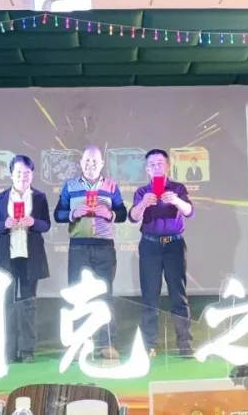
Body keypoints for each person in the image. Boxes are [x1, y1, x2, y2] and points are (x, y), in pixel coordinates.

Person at [54, 146, 127, 362]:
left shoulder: (111, 186)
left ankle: (106, 343)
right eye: (87, 161)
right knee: (78, 295)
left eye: (95, 161)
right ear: (81, 163)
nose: (90, 164)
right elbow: (58, 214)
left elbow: (123, 213)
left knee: (105, 295)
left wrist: (110, 213)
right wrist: (73, 213)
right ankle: (78, 343)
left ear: (102, 163)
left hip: (105, 247)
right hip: (78, 246)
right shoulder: (70, 186)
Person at [129, 149, 194, 357]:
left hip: (174, 245)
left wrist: (176, 200)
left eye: (160, 163)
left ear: (168, 166)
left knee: (178, 295)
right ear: (147, 169)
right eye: (152, 164)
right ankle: (149, 344)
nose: (157, 167)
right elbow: (133, 217)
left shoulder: (177, 188)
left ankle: (185, 343)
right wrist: (143, 203)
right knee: (150, 296)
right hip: (150, 246)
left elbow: (189, 211)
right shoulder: (143, 191)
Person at [0, 155, 51, 363]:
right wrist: (5, 224)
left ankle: (26, 350)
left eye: (26, 173)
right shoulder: (1, 198)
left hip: (30, 257)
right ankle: (8, 349)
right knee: (7, 303)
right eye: (18, 172)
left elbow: (46, 225)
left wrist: (33, 222)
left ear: (32, 174)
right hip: (8, 257)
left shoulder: (39, 197)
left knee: (28, 303)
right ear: (11, 174)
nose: (22, 177)